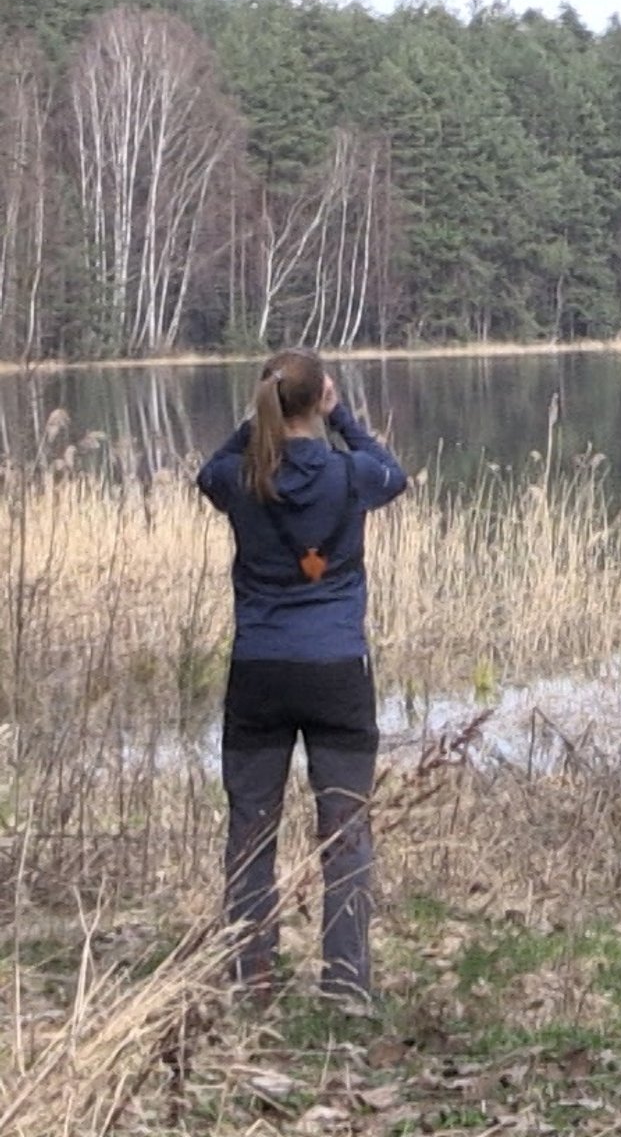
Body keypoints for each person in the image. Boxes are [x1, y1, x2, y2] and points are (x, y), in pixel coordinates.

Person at [197, 349, 408, 1005]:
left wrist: (259, 415)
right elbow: (393, 473)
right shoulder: (350, 475)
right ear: (322, 397)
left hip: (260, 670)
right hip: (337, 671)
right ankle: (346, 989)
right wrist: (342, 416)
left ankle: (251, 984)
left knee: (251, 828)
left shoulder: (240, 477)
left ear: (265, 400)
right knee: (345, 833)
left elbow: (209, 470)